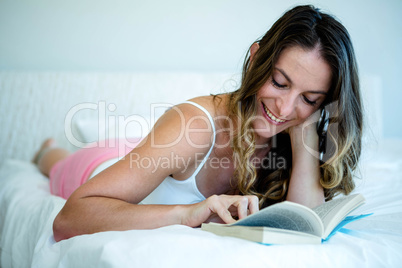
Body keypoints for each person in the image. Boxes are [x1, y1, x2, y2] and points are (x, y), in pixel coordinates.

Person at [33, 5, 363, 242]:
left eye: (310, 98)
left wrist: (304, 126)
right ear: (256, 58)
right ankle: (48, 152)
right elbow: (68, 219)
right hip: (99, 163)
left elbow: (305, 226)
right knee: (59, 165)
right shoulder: (194, 124)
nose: (285, 107)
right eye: (279, 82)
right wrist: (186, 214)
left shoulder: (293, 124)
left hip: (154, 157)